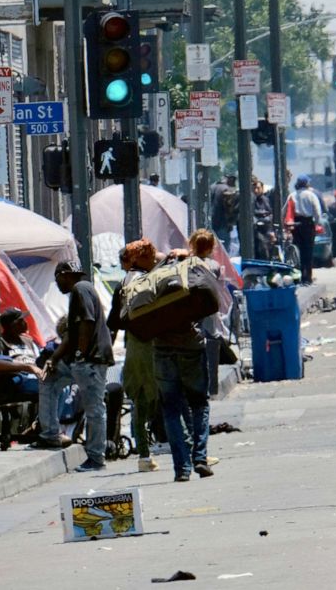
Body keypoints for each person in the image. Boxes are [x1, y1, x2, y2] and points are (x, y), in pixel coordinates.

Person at [34, 260, 114, 472]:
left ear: (65, 274)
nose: (57, 284)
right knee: (48, 380)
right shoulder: (80, 291)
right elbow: (71, 333)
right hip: (82, 360)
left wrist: (80, 353)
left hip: (89, 360)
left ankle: (96, 457)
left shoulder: (80, 289)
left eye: (57, 278)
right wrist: (55, 358)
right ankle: (50, 434)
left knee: (95, 409)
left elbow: (87, 322)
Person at [150, 242, 215, 483]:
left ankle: (182, 468)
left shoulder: (154, 279)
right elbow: (213, 279)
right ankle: (200, 457)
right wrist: (189, 256)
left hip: (162, 349)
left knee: (171, 409)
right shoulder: (192, 277)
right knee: (199, 404)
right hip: (191, 347)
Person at [107, 239, 161, 473]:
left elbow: (114, 322)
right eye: (151, 256)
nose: (154, 260)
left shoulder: (125, 283)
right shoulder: (149, 280)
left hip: (137, 347)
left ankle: (145, 454)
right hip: (152, 346)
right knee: (154, 398)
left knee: (140, 399)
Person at [286, 174, 323, 284]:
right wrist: (317, 223)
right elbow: (317, 212)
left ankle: (300, 276)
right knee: (308, 251)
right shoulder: (311, 195)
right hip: (308, 225)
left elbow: (285, 210)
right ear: (307, 183)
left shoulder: (292, 196)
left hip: (296, 225)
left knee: (298, 251)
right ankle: (308, 277)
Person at [210, 174, 237, 253]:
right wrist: (230, 223)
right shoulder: (226, 190)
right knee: (224, 250)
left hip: (211, 222)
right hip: (222, 224)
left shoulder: (212, 187)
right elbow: (229, 208)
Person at [252, 178, 273, 260]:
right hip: (256, 229)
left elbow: (270, 212)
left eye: (258, 188)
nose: (256, 190)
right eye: (254, 188)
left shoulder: (266, 200)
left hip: (267, 228)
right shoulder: (252, 200)